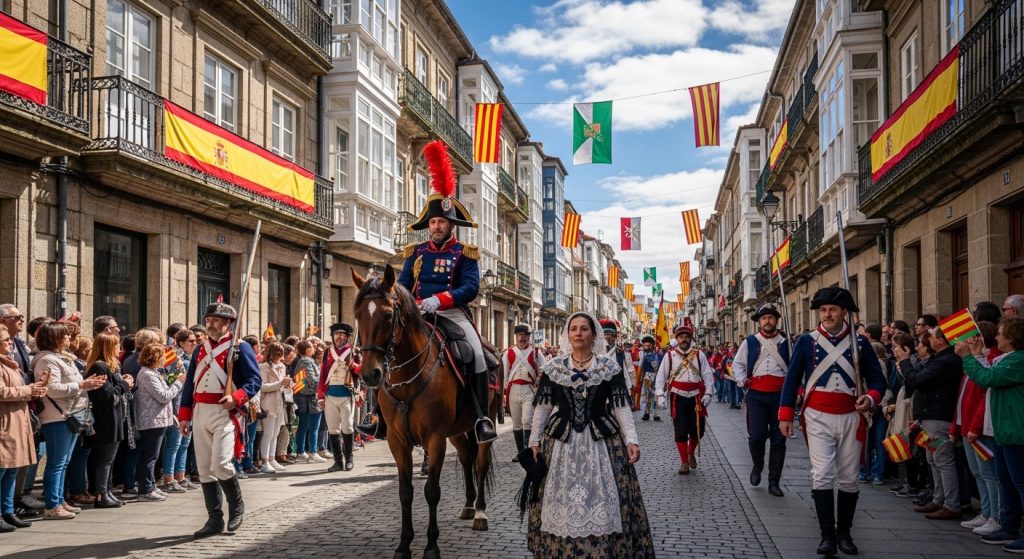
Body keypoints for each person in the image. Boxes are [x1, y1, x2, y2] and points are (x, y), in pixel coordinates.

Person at [526, 312, 654, 557]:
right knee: (560, 497)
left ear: (593, 334)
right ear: (568, 334)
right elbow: (543, 407)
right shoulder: (554, 368)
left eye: (583, 329)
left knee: (603, 496)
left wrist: (631, 439)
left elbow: (620, 406)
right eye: (573, 329)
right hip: (561, 440)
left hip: (601, 441)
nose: (578, 333)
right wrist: (534, 440)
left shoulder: (608, 367)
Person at [395, 140, 496, 443]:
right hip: (417, 315)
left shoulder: (466, 253)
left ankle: (481, 418)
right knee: (388, 352)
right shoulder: (415, 252)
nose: (437, 226)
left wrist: (438, 300)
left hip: (452, 313)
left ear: (452, 225)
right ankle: (378, 417)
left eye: (442, 222)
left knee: (477, 354)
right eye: (434, 221)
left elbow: (470, 288)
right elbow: (401, 284)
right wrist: (410, 303)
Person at [778, 287, 886, 557]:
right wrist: (785, 414)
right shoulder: (807, 341)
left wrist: (871, 399)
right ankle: (827, 536)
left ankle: (845, 534)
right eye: (823, 310)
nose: (827, 315)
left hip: (851, 414)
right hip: (817, 416)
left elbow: (877, 380)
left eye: (833, 310)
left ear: (844, 312)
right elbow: (792, 380)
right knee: (822, 473)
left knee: (849, 478)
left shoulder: (860, 343)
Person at [177, 302, 262, 538]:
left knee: (222, 463)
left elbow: (254, 381)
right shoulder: (200, 349)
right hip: (200, 410)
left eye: (215, 320)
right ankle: (214, 519)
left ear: (227, 323)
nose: (210, 324)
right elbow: (189, 384)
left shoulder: (240, 348)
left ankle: (237, 507)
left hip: (224, 411)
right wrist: (184, 414)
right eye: (208, 319)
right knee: (204, 468)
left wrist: (236, 398)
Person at [956, 318, 1024, 552]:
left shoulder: (1018, 360)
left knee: (1020, 483)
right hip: (1003, 430)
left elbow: (987, 378)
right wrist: (976, 355)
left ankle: (1014, 528)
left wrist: (967, 356)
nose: (996, 337)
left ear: (1013, 337)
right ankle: (1009, 526)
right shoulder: (1007, 360)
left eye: (1001, 334)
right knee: (1006, 482)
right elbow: (987, 373)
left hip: (1015, 431)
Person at [34, 321, 106, 519]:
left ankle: (58, 500)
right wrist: (82, 384)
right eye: (65, 335)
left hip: (71, 414)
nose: (69, 338)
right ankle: (51, 505)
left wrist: (89, 385)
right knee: (56, 463)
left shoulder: (63, 358)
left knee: (64, 462)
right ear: (55, 338)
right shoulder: (47, 360)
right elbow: (52, 389)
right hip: (57, 416)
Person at [900, 327, 963, 520]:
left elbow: (918, 380)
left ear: (942, 341)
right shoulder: (939, 359)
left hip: (938, 417)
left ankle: (951, 504)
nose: (929, 340)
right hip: (929, 417)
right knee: (933, 459)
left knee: (943, 460)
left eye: (933, 337)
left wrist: (904, 362)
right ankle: (939, 498)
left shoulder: (946, 361)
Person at [732, 303, 790, 496]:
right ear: (759, 322)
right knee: (756, 436)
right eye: (764, 318)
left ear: (776, 320)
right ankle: (757, 465)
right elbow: (737, 365)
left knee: (778, 439)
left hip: (780, 396)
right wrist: (742, 381)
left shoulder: (786, 342)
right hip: (756, 395)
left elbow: (796, 368)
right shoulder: (750, 342)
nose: (767, 321)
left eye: (771, 318)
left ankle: (774, 480)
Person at [0, 324, 46, 530]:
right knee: (2, 469)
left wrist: (33, 391)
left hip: (18, 420)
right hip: (5, 421)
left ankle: (7, 511)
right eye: (5, 341)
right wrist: (28, 389)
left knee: (12, 470)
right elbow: (2, 392)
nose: (10, 343)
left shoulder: (10, 363)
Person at [655, 318, 714, 475]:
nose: (684, 339)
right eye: (681, 337)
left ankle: (690, 452)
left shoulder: (699, 355)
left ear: (691, 338)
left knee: (698, 431)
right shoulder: (670, 356)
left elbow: (708, 375)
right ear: (677, 339)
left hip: (696, 397)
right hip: (678, 397)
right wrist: (660, 394)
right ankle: (684, 462)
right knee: (680, 430)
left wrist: (708, 392)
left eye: (687, 336)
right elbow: (661, 376)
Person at [82, 333, 133, 509]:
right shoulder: (99, 367)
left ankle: (107, 491)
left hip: (114, 419)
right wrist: (125, 384)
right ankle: (101, 494)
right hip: (105, 420)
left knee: (109, 459)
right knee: (104, 459)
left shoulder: (110, 367)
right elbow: (108, 396)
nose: (119, 349)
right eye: (116, 345)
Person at [134, 343, 185, 501]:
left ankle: (150, 484)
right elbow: (163, 396)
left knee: (153, 456)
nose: (165, 359)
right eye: (162, 356)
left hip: (159, 419)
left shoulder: (154, 373)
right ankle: (145, 489)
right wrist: (178, 382)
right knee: (149, 456)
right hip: (151, 420)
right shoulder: (147, 374)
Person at [318, 323, 358, 472]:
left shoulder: (353, 351)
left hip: (347, 395)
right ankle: (338, 461)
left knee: (347, 427)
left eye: (342, 334)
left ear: (347, 337)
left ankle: (349, 459)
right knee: (333, 429)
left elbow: (362, 372)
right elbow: (323, 374)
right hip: (330, 395)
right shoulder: (328, 352)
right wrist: (321, 396)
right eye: (336, 334)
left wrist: (354, 366)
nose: (339, 337)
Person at [163, 328, 199, 492]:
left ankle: (181, 476)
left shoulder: (194, 358)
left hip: (190, 406)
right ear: (181, 343)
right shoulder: (175, 360)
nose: (194, 343)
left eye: (195, 340)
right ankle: (169, 479)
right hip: (178, 406)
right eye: (191, 341)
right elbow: (172, 384)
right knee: (174, 444)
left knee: (185, 444)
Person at [503, 324, 544, 462]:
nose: (522, 338)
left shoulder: (536, 352)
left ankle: (528, 450)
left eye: (525, 335)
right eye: (520, 335)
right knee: (516, 423)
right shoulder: (508, 353)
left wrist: (539, 382)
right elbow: (504, 373)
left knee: (527, 420)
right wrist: (504, 392)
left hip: (529, 389)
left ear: (529, 337)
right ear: (516, 336)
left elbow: (544, 371)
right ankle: (520, 452)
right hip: (513, 388)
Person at [258, 342, 291, 474]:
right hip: (268, 403)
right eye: (277, 355)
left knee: (276, 433)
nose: (279, 358)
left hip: (280, 402)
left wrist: (288, 385)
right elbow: (263, 386)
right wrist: (280, 383)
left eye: (280, 355)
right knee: (268, 433)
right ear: (271, 354)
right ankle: (265, 461)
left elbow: (281, 386)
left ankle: (272, 459)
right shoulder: (264, 367)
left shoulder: (282, 366)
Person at [292, 340, 324, 463]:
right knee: (314, 426)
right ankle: (312, 452)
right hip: (309, 398)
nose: (314, 349)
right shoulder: (306, 361)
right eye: (312, 347)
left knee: (303, 426)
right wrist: (322, 388)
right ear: (308, 350)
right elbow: (313, 380)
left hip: (304, 397)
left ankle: (301, 452)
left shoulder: (303, 361)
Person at [637, 336, 661, 421]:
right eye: (645, 345)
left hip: (657, 376)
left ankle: (656, 414)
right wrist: (641, 377)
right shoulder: (645, 356)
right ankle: (646, 413)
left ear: (652, 346)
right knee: (647, 396)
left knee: (656, 395)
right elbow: (643, 369)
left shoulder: (658, 355)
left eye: (648, 345)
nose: (646, 347)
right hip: (648, 376)